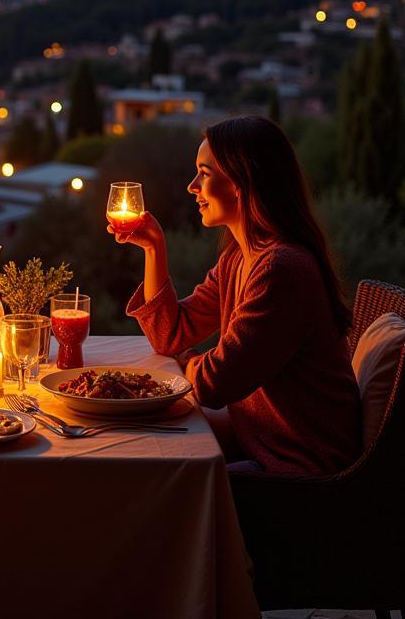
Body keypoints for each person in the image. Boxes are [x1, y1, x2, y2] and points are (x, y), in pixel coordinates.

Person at [112, 115, 361, 476]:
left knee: (165, 478)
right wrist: (154, 249)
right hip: (258, 437)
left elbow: (215, 385)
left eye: (204, 173)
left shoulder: (282, 269)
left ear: (242, 182)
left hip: (302, 465)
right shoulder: (238, 259)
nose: (191, 186)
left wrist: (184, 362)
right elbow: (170, 335)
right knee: (143, 443)